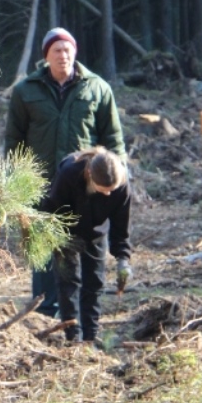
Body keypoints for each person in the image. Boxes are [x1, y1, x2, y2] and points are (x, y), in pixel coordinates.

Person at [4, 27, 127, 317]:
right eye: (57, 50)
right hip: (42, 184)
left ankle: (82, 316)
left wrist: (119, 177)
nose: (64, 55)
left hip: (86, 186)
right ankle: (44, 313)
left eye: (68, 49)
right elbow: (14, 140)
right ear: (46, 55)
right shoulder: (25, 91)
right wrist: (14, 183)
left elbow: (114, 139)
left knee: (86, 248)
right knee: (44, 250)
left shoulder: (97, 88)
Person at [40, 147, 131, 343]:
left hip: (97, 233)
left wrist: (123, 259)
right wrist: (57, 239)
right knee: (68, 283)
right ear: (89, 175)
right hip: (66, 231)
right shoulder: (69, 173)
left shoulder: (121, 184)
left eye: (111, 190)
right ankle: (72, 337)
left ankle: (90, 337)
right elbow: (52, 209)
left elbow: (120, 225)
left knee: (95, 283)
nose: (108, 195)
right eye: (103, 190)